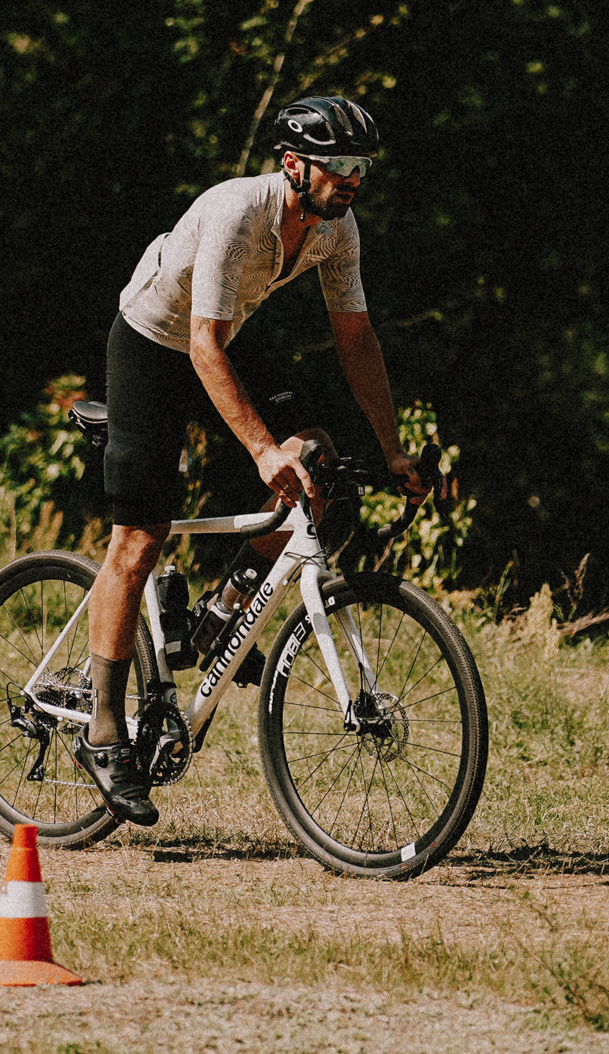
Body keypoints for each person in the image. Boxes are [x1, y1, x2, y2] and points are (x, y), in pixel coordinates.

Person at [75, 95, 430, 825]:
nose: (354, 180)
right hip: (154, 342)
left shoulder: (337, 230)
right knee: (140, 538)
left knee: (317, 461)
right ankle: (103, 730)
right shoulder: (239, 211)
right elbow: (200, 344)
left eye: (363, 166)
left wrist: (392, 450)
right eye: (341, 166)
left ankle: (221, 612)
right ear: (294, 164)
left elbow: (356, 339)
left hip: (224, 342)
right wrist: (259, 449)